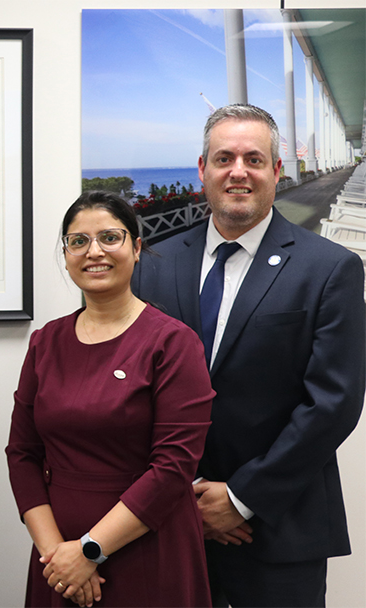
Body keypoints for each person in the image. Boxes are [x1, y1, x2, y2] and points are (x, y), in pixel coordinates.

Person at [133, 104, 365, 607]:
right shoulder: (152, 264)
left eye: (254, 159)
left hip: (281, 530)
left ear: (276, 171)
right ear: (203, 169)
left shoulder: (331, 269)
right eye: (224, 158)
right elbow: (131, 390)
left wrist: (241, 499)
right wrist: (183, 494)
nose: (238, 171)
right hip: (169, 523)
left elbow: (334, 402)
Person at [6, 190, 215, 607]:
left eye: (110, 237)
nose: (93, 251)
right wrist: (57, 557)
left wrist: (90, 550)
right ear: (65, 254)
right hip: (60, 560)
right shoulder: (45, 343)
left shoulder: (173, 343)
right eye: (78, 241)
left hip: (147, 548)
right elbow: (22, 454)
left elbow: (173, 467)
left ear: (136, 248)